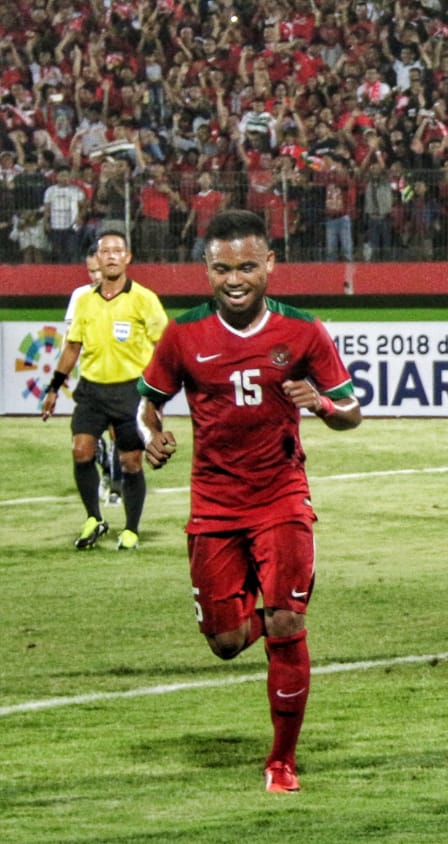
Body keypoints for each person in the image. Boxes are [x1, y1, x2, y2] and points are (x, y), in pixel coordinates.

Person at [137, 209, 362, 794]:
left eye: (246, 267)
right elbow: (148, 404)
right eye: (221, 268)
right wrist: (151, 437)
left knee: (288, 624)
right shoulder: (183, 334)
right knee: (226, 643)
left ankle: (281, 762)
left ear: (269, 265)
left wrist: (320, 404)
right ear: (205, 270)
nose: (234, 279)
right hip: (213, 504)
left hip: (281, 496)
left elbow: (352, 412)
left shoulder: (303, 331)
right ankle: (268, 621)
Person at [41, 227, 167, 550]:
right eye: (104, 251)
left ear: (127, 258)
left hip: (130, 392)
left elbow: (165, 350)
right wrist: (54, 388)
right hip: (92, 391)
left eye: (116, 251)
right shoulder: (84, 302)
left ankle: (132, 530)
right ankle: (93, 519)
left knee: (131, 463)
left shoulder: (145, 300)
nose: (110, 256)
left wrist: (157, 398)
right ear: (97, 258)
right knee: (81, 450)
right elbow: (72, 348)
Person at [64, 249, 123, 505]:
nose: (95, 275)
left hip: (121, 376)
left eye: (98, 269)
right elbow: (71, 339)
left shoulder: (127, 294)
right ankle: (108, 470)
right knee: (86, 437)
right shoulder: (80, 296)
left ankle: (116, 489)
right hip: (91, 377)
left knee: (117, 433)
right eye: (91, 271)